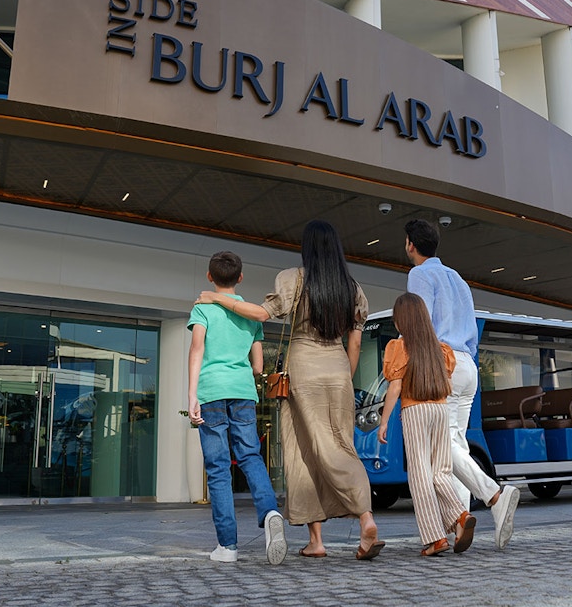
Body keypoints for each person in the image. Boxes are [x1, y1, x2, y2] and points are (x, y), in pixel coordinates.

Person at [197, 220, 384, 560]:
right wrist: (344, 376)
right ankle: (363, 519)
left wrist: (216, 298)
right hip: (338, 368)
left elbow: (261, 314)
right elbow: (355, 343)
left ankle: (320, 539)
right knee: (342, 446)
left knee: (303, 449)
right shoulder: (352, 288)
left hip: (304, 367)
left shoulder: (293, 279)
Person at [404, 218, 520, 550]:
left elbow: (419, 323)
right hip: (467, 363)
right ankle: (460, 522)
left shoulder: (419, 274)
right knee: (456, 443)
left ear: (410, 244)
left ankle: (494, 495)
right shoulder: (458, 278)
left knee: (443, 445)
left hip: (442, 362)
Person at [187, 251, 288, 565]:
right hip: (243, 392)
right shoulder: (250, 312)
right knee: (250, 456)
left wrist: (191, 395)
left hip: (211, 391)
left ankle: (227, 546)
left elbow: (197, 349)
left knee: (218, 469)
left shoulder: (203, 307)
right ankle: (269, 511)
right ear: (240, 278)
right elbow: (257, 365)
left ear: (209, 276)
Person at [377, 292, 476, 556]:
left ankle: (435, 538)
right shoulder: (440, 349)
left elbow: (395, 387)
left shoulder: (399, 347)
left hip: (415, 410)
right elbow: (447, 382)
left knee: (420, 474)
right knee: (441, 471)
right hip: (441, 409)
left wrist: (384, 421)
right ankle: (461, 515)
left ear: (401, 320)